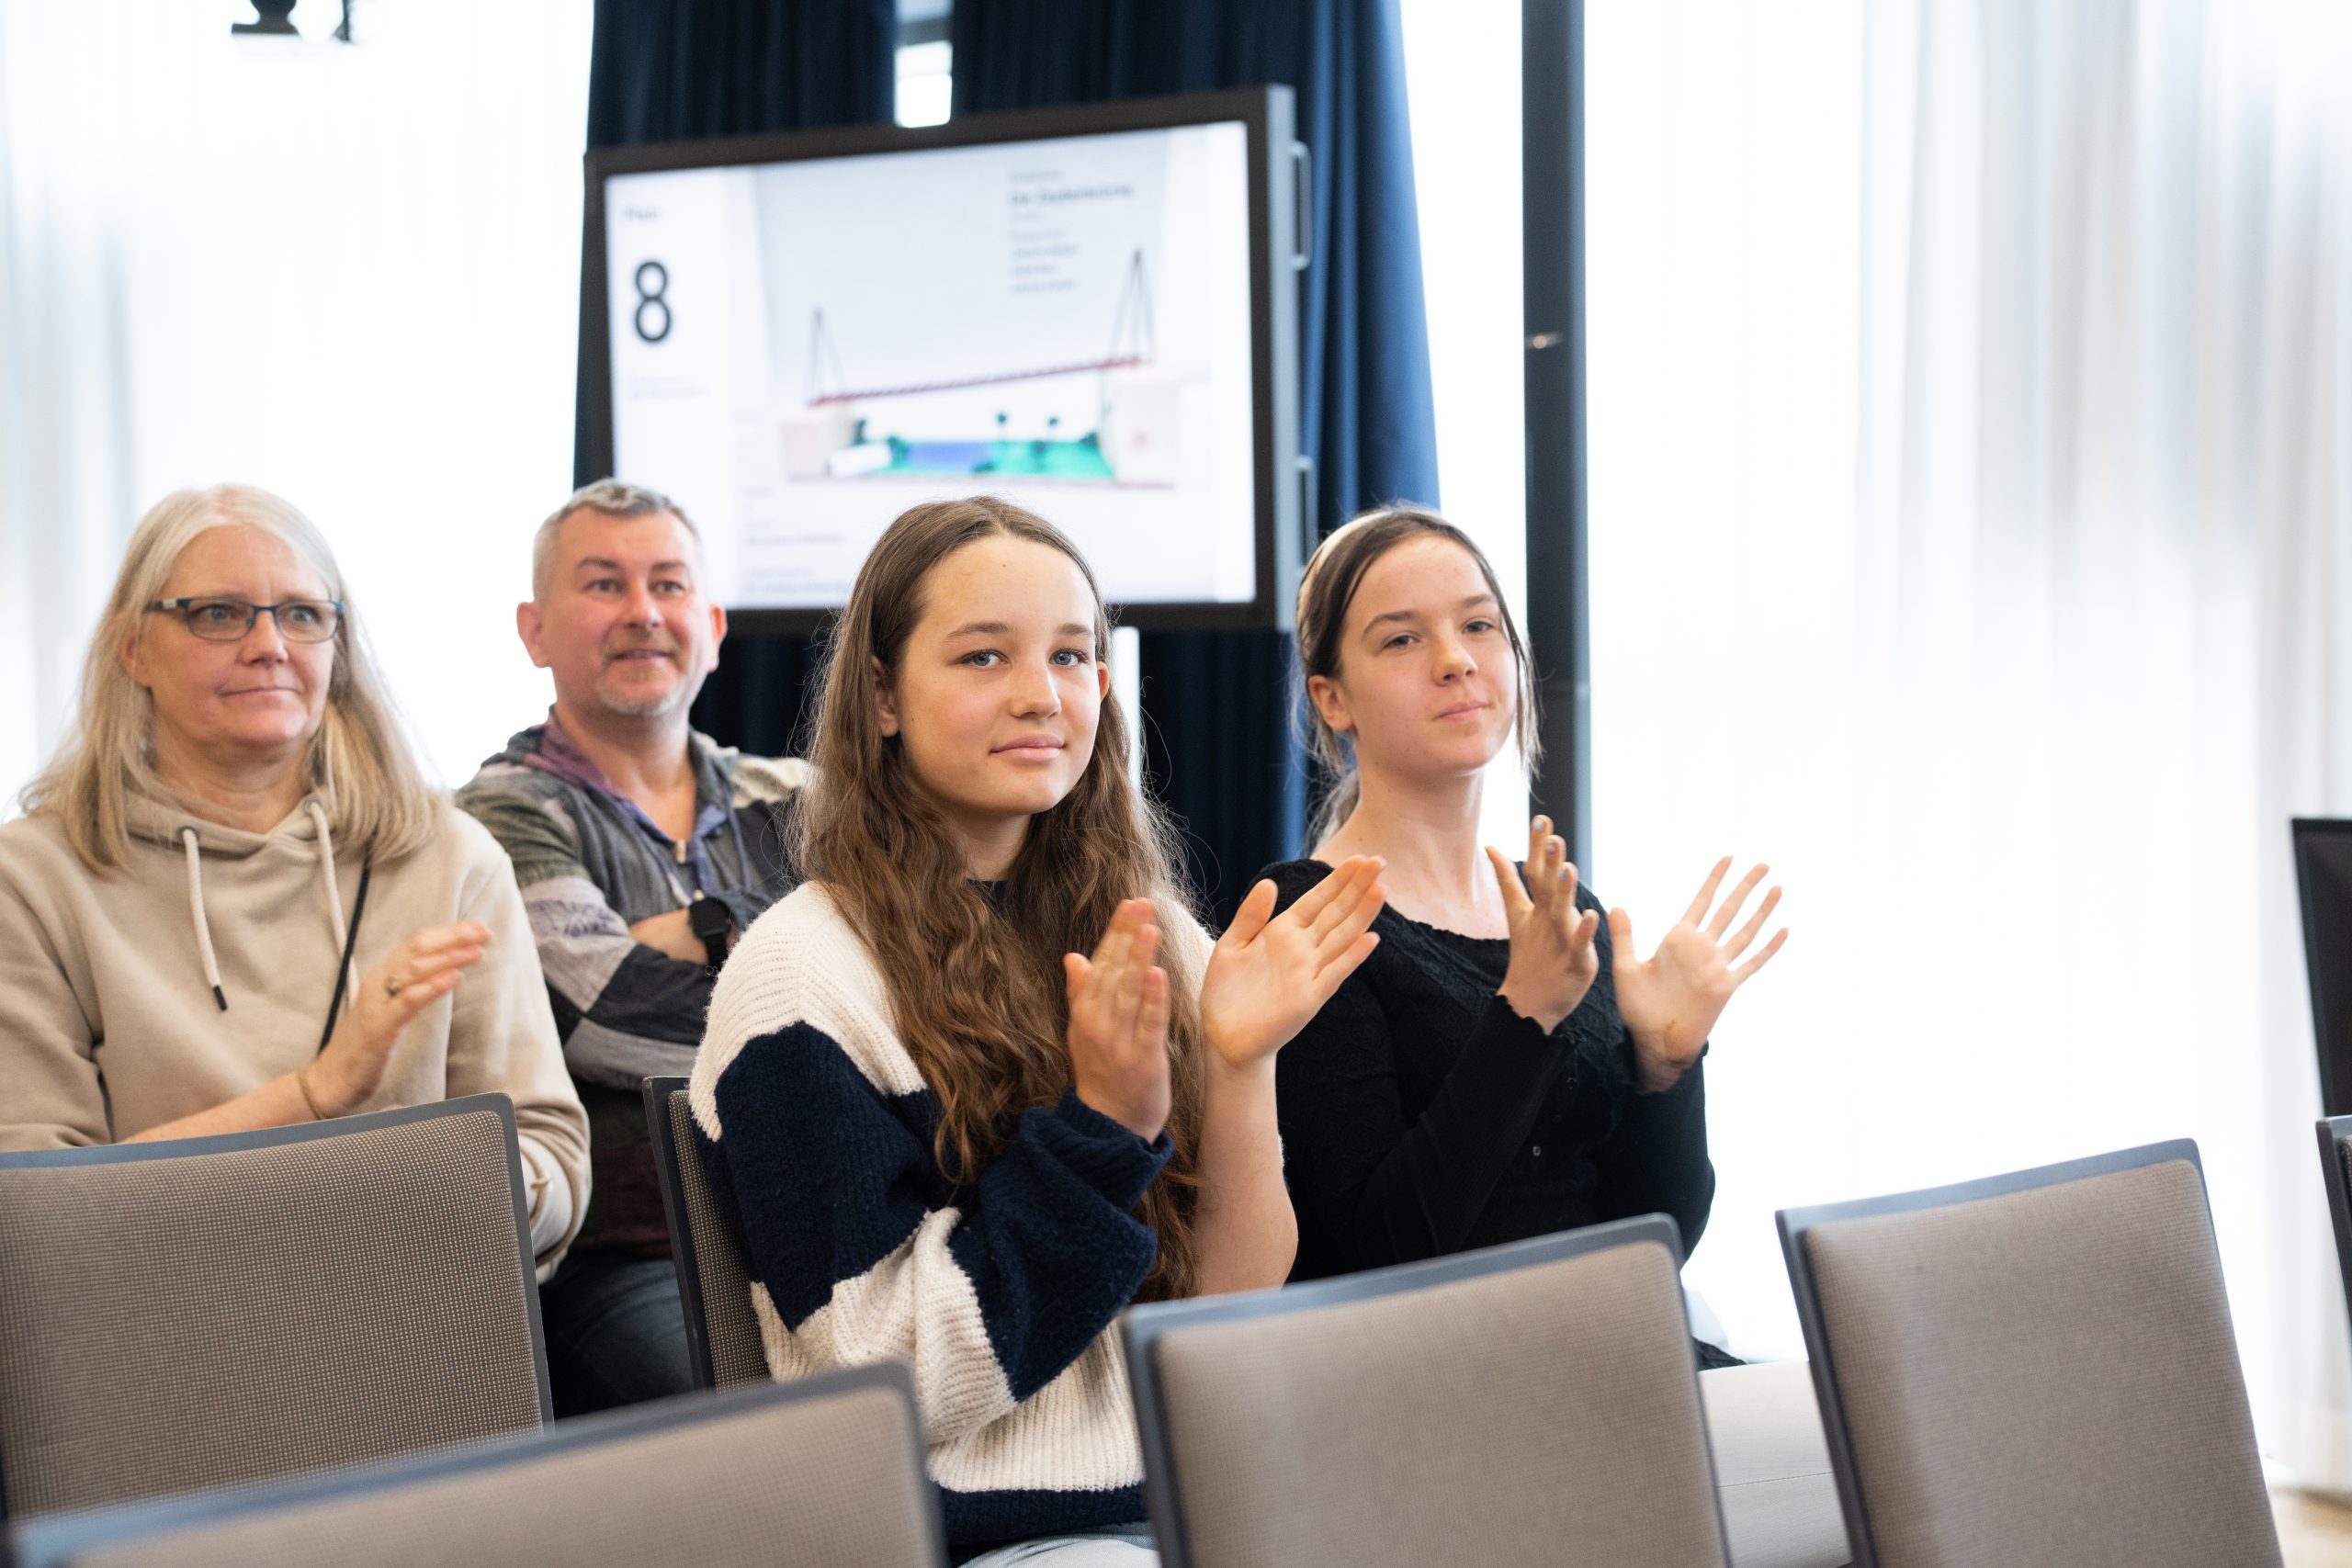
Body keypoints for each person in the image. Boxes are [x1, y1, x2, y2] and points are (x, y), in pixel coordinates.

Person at [690, 496, 1385, 1564]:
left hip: (1197, 1491)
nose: (1040, 695)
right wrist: (1101, 1131)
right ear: (881, 696)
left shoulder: (1155, 936)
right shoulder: (799, 977)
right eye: (983, 656)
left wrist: (1242, 1065)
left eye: (1070, 655)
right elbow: (883, 1377)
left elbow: (1229, 1303)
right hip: (984, 1531)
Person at [1270, 506, 1850, 1568]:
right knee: (1889, 1448)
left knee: (1899, 1412)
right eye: (1400, 639)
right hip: (1449, 1399)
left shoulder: (1559, 908)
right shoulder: (1309, 920)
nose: (1455, 660)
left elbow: (1655, 1235)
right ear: (1331, 698)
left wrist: (1667, 1069)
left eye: (1479, 626)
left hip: (1612, 1355)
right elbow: (1373, 1254)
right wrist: (1524, 1018)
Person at [0, 483, 588, 1278]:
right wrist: (315, 1094)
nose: (269, 645)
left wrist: (477, 1190)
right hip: (157, 1323)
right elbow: (34, 1215)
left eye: (303, 614)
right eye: (218, 613)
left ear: (338, 648)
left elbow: (551, 1159)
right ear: (133, 648)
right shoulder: (32, 879)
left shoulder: (451, 857)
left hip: (414, 1306)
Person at [457, 479, 807, 1415]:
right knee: (765, 1425)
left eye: (669, 584)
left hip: (828, 1212)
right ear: (534, 630)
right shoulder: (495, 817)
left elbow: (903, 972)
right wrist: (794, 955)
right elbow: (605, 1015)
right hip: (629, 1257)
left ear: (714, 627)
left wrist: (694, 934)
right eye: (604, 584)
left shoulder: (806, 799)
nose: (643, 613)